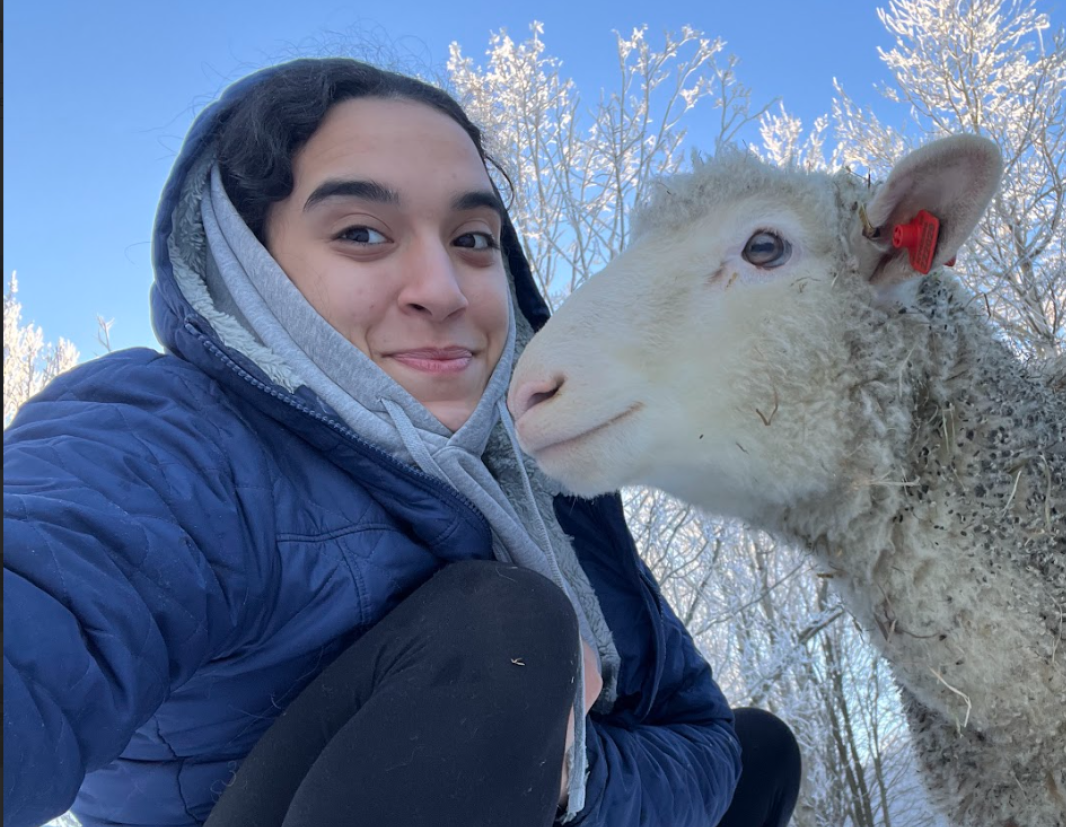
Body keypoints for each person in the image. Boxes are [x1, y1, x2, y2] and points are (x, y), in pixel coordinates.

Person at [2, 57, 801, 827]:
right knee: (504, 633)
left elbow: (704, 741)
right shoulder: (173, 438)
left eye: (473, 239)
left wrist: (561, 775)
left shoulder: (550, 494)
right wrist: (509, 698)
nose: (442, 290)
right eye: (361, 232)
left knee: (762, 750)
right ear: (251, 263)